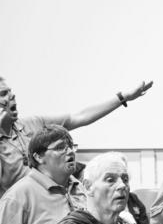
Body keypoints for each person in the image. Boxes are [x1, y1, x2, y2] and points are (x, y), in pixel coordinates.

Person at [0, 76, 152, 198]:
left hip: (54, 200)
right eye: (3, 94)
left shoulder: (32, 124)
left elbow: (79, 117)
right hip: (21, 210)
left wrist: (122, 98)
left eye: (10, 91)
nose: (12, 95)